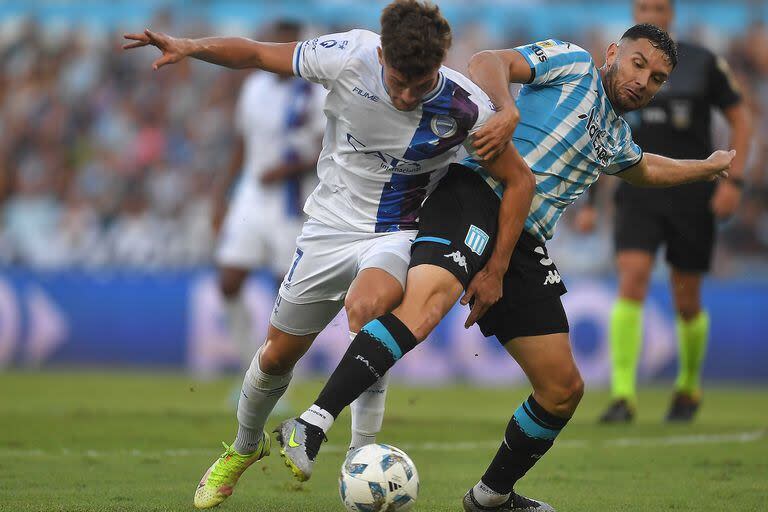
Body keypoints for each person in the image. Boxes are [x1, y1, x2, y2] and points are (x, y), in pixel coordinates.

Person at [276, 24, 736, 512]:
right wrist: (508, 107)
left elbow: (644, 168)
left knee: (563, 390)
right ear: (614, 53)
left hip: (523, 240)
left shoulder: (618, 135)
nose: (644, 82)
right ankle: (310, 424)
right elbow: (487, 62)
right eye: (639, 64)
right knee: (427, 306)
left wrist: (706, 166)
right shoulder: (573, 63)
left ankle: (491, 497)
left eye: (658, 78)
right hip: (475, 195)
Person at [123, 1, 534, 509]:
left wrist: (495, 269)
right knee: (276, 356)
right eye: (397, 80)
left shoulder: (466, 107)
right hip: (326, 228)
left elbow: (519, 181)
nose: (406, 95)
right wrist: (191, 46)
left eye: (419, 83)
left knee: (371, 310)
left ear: (440, 64)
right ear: (381, 53)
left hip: (397, 229)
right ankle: (244, 448)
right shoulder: (349, 55)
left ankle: (360, 457)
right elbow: (254, 53)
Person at [589, 0, 752, 424]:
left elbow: (742, 118)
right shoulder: (620, 66)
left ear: (672, 12)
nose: (653, 12)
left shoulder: (702, 62)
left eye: (659, 6)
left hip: (691, 193)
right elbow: (596, 131)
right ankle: (623, 395)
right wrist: (591, 200)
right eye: (645, 5)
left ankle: (688, 387)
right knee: (632, 279)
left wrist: (734, 180)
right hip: (637, 190)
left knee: (686, 298)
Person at [211, 20, 325, 373]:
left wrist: (287, 171)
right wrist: (220, 195)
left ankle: (282, 370)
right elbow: (241, 144)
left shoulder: (316, 92)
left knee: (287, 293)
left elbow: (329, 152)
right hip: (251, 197)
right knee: (228, 280)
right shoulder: (254, 86)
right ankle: (251, 365)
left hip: (293, 201)